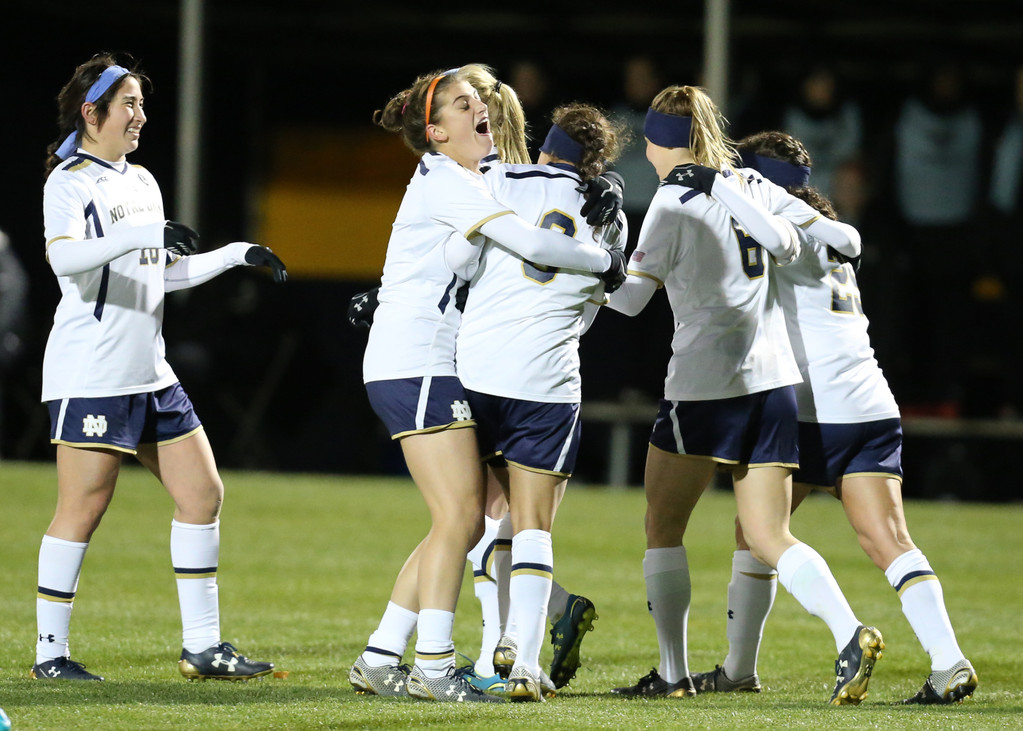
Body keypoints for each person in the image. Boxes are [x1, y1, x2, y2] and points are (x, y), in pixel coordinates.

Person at [348, 65, 626, 703]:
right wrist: (606, 259)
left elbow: (461, 255)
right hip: (421, 361)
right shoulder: (448, 180)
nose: (483, 111)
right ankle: (437, 667)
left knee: (465, 520)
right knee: (462, 518)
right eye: (464, 105)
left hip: (420, 359)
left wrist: (599, 181)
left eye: (482, 101)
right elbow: (529, 240)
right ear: (436, 131)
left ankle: (381, 653)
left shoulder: (467, 177)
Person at [604, 85, 883, 705]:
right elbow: (790, 244)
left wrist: (593, 263)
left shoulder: (672, 200)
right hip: (776, 385)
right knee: (768, 534)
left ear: (654, 140)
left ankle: (673, 674)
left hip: (705, 385)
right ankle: (848, 631)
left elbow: (628, 301)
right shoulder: (749, 185)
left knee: (663, 524)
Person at [689, 130, 978, 706]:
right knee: (889, 539)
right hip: (870, 403)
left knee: (758, 533)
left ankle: (742, 667)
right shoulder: (821, 226)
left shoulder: (776, 231)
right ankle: (949, 662)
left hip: (808, 413)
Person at [35, 54, 286, 681]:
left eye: (142, 104)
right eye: (129, 104)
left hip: (150, 372)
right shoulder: (68, 182)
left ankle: (203, 649)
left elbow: (160, 274)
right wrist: (143, 234)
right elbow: (66, 261)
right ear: (93, 113)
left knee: (203, 494)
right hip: (91, 373)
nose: (141, 116)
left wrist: (234, 253)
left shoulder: (141, 182)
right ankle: (49, 655)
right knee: (82, 509)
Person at [452, 103, 628, 701]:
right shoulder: (609, 210)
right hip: (546, 377)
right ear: (598, 161)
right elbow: (602, 301)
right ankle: (525, 661)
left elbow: (460, 260)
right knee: (531, 527)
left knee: (474, 517)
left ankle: (483, 654)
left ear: (544, 147)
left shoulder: (494, 177)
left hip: (477, 366)